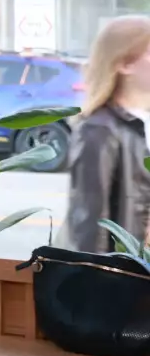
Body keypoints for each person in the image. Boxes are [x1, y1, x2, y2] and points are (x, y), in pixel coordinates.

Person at [67, 15, 150, 251]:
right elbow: (90, 226)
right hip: (125, 278)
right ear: (125, 64)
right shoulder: (99, 130)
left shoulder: (143, 122)